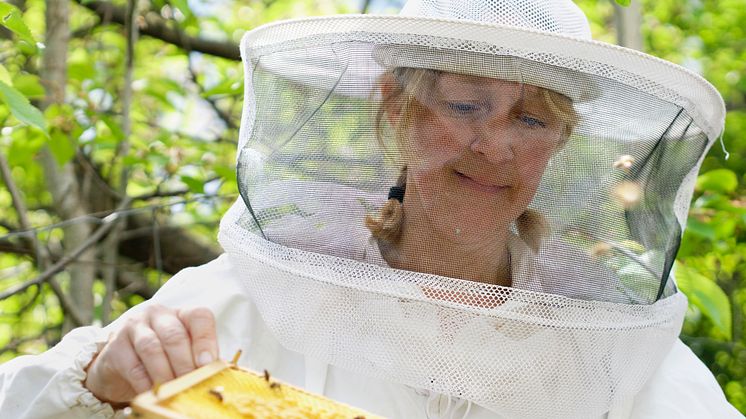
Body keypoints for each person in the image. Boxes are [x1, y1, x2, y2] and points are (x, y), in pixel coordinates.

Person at [0, 0, 743, 418]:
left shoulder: (613, 355)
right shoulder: (264, 295)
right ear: (398, 107)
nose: (493, 147)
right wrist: (100, 389)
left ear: (559, 144)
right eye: (465, 105)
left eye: (530, 119)